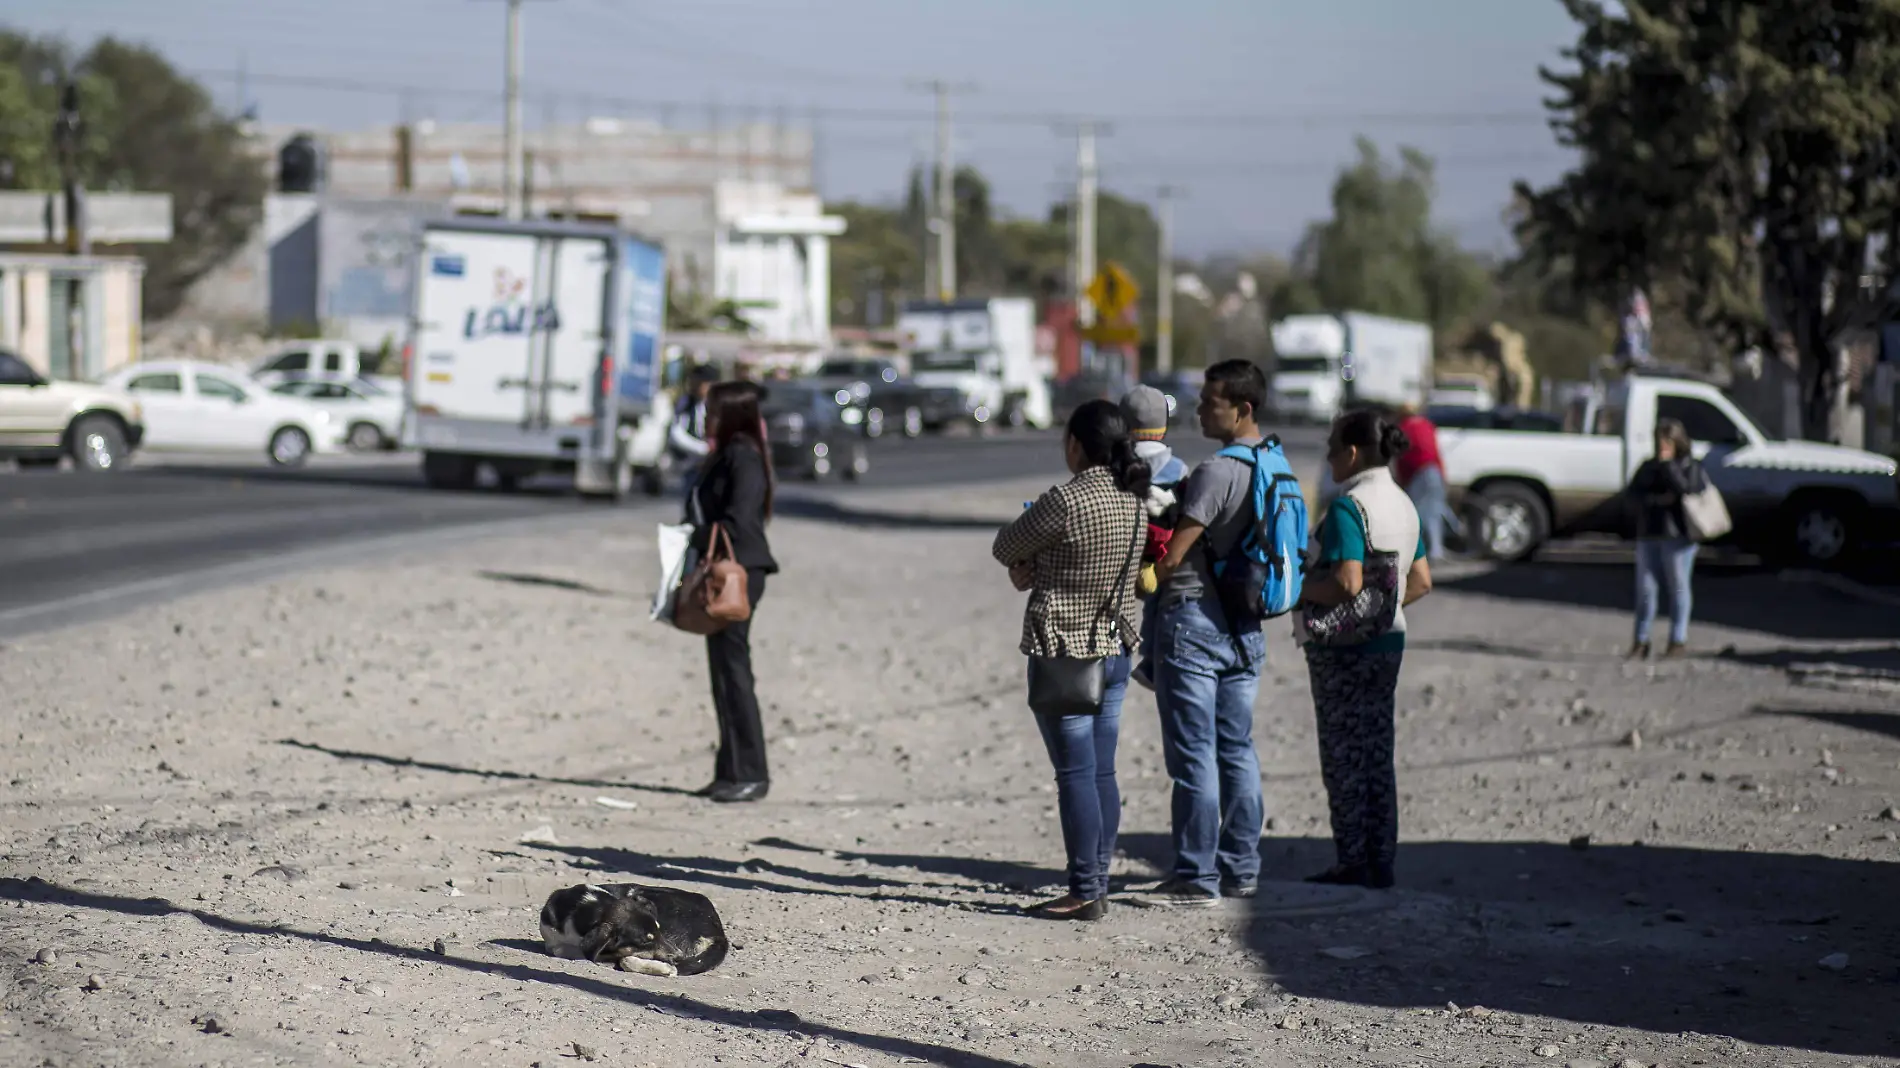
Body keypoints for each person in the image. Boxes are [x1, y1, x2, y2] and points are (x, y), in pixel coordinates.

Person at [991, 400, 1150, 921]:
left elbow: (1005, 544)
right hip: (1116, 646)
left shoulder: (1067, 499)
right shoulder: (1135, 497)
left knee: (1075, 774)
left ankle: (1085, 890)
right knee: (1101, 771)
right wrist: (1040, 564)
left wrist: (1030, 563)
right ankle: (1097, 878)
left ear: (1076, 445)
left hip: (1066, 652)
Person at [1132, 359, 1272, 909]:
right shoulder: (1275, 463)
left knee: (1194, 755)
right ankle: (1242, 867)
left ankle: (1196, 875)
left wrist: (1143, 579)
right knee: (1237, 749)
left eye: (1210, 402)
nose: (1199, 410)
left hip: (1193, 624)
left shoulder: (1215, 471)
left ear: (1242, 409)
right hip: (1248, 626)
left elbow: (1172, 557)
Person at [1300, 408, 1434, 890]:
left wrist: (1300, 590)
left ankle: (1352, 859)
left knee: (1341, 753)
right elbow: (1421, 581)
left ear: (1352, 453)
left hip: (1344, 648)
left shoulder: (1347, 508)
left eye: (1332, 448)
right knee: (1377, 750)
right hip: (1389, 640)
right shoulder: (1404, 503)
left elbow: (1346, 581)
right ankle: (1381, 859)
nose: (1329, 458)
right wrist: (1387, 605)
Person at [689, 380, 779, 803]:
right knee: (721, 671)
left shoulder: (743, 457)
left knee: (735, 672)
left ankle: (752, 773)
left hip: (738, 573)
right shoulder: (727, 455)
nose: (706, 417)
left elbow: (740, 520)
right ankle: (729, 771)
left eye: (713, 410)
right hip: (724, 570)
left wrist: (695, 534)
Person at [1119, 385, 1189, 692]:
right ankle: (1150, 657)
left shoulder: (1119, 465)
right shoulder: (1178, 468)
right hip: (1162, 552)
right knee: (1158, 602)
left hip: (1124, 549)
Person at [1626, 418, 1704, 660]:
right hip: (1650, 531)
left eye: (1667, 441)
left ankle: (1677, 640)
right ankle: (1640, 640)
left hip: (1679, 535)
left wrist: (1668, 467)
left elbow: (1686, 489)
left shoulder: (1689, 465)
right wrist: (1654, 499)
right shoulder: (1648, 466)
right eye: (1659, 441)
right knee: (1645, 590)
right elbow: (1633, 493)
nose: (1662, 447)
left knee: (1678, 586)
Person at [1394, 402, 1452, 560]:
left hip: (1418, 473)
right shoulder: (1427, 425)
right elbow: (1435, 452)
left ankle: (1418, 552)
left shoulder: (1404, 428)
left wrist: (1402, 480)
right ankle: (1436, 549)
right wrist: (1443, 475)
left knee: (1417, 513)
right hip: (1433, 470)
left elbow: (1403, 457)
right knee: (1435, 511)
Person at [670, 364, 720, 500]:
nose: (694, 386)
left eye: (699, 383)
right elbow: (676, 433)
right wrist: (702, 449)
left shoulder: (719, 404)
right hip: (692, 466)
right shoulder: (687, 402)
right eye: (693, 381)